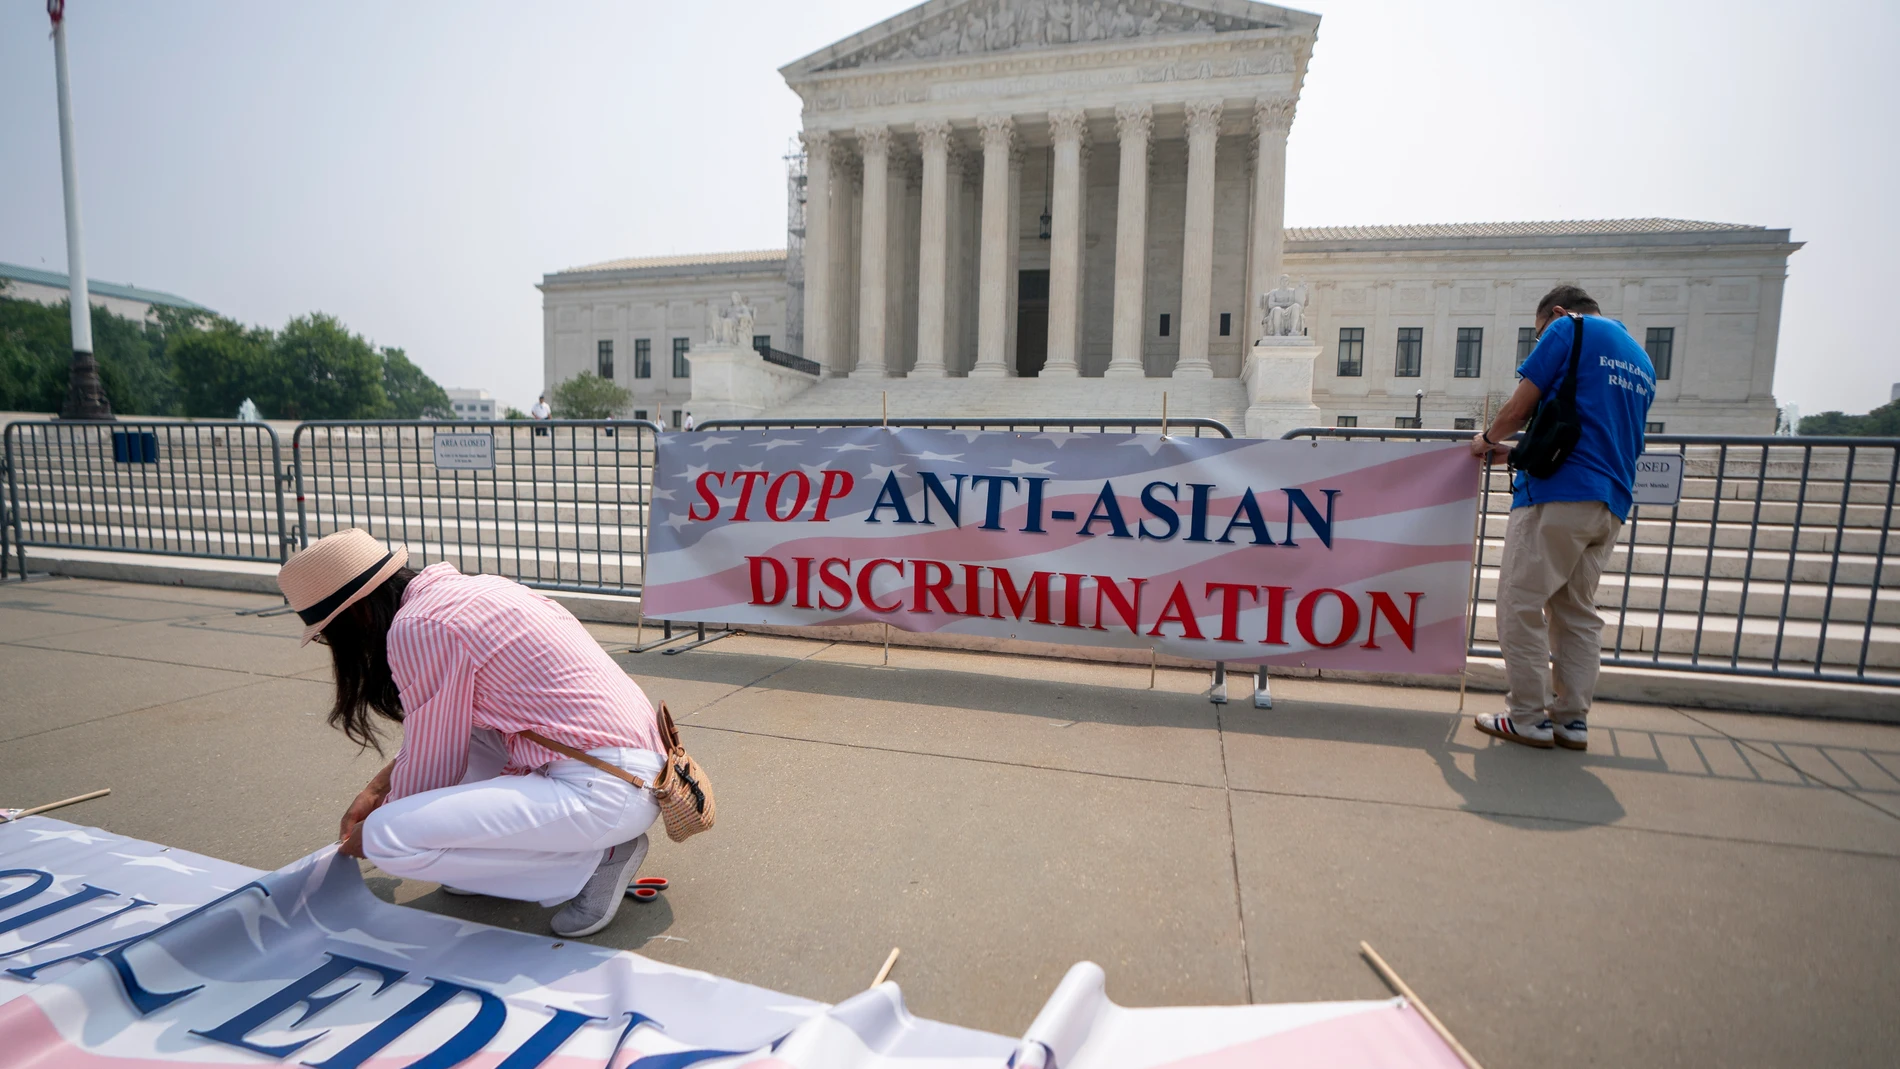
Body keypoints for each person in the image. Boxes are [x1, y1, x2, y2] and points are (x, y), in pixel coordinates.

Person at [278, 529, 666, 937]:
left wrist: (373, 831)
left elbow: (433, 765)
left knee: (388, 840)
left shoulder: (418, 625)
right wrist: (378, 790)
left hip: (604, 789)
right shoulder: (466, 590)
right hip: (627, 769)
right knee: (469, 743)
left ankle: (595, 861)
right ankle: (495, 869)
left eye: (326, 634)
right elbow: (450, 733)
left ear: (356, 616)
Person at [1468, 284, 1655, 751]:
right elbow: (1587, 433)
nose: (1539, 341)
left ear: (1555, 312)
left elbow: (1519, 408)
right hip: (1608, 503)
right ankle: (1572, 720)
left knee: (1519, 602)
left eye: (1537, 335)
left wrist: (1487, 439)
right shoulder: (1640, 359)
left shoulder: (1567, 330)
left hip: (1556, 497)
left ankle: (1527, 716)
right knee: (1576, 612)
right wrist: (1515, 454)